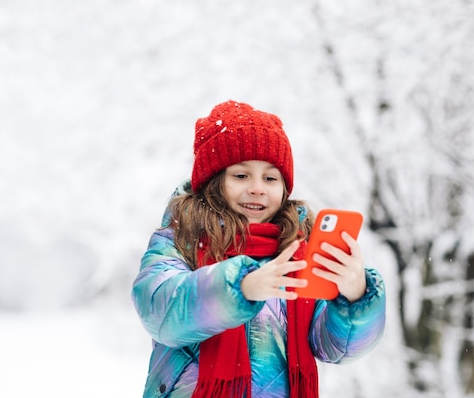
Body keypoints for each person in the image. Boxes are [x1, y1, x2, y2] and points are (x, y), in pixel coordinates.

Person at [132, 100, 386, 398]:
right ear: (214, 183)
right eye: (241, 176)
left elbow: (334, 348)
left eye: (270, 177)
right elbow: (161, 312)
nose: (257, 188)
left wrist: (355, 298)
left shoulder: (297, 248)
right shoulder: (181, 238)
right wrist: (239, 287)